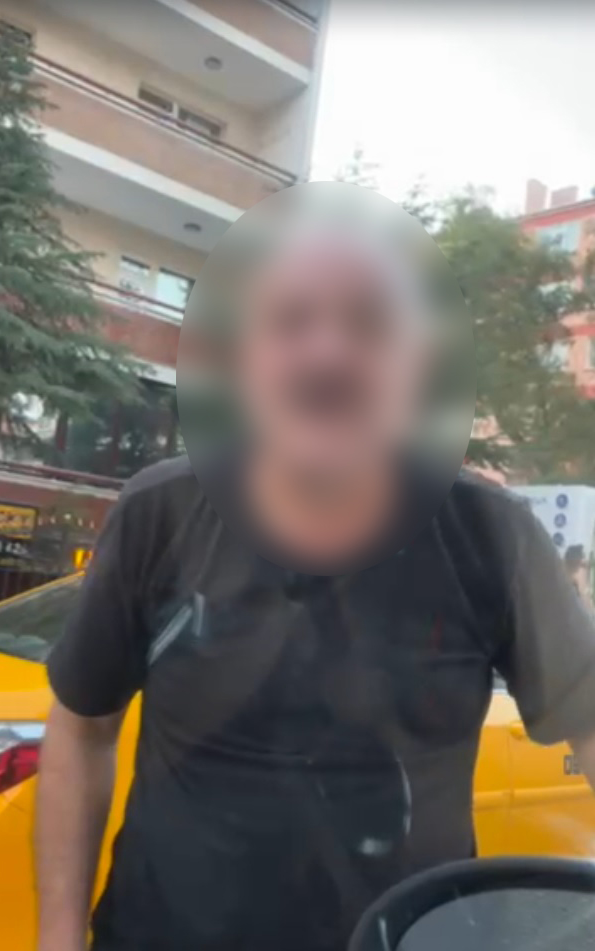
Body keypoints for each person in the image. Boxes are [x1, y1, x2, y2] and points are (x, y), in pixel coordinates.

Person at [35, 224, 595, 951]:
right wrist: (56, 939)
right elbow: (81, 729)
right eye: (291, 320)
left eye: (367, 323)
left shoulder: (493, 534)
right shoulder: (160, 511)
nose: (328, 353)